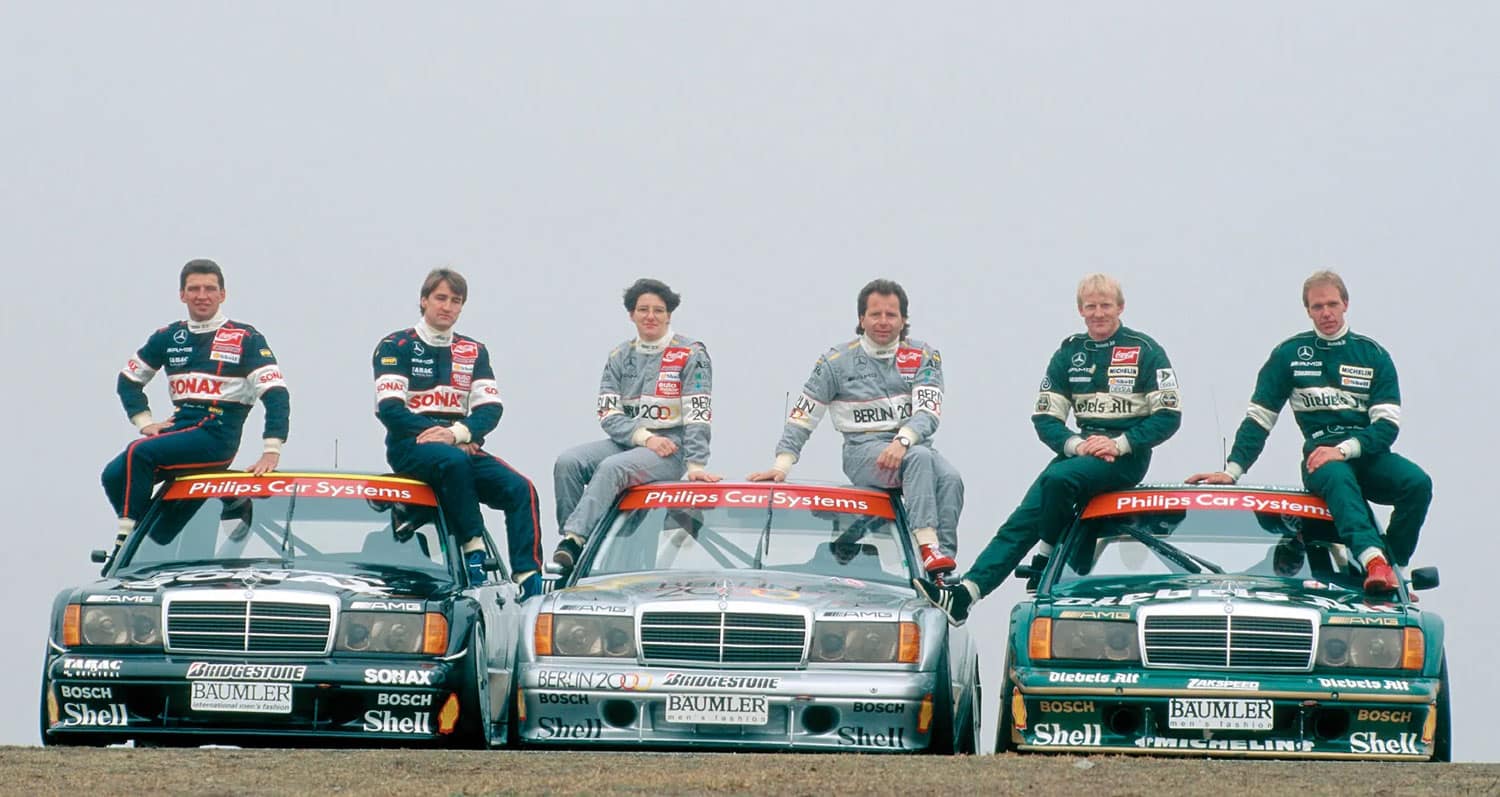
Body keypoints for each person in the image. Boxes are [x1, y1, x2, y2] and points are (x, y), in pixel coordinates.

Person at [915, 274, 1181, 624]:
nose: (1098, 313)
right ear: (1080, 310)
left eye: (1105, 305)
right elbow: (1045, 417)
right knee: (1022, 518)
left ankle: (1045, 555)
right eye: (1091, 306)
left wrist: (1118, 444)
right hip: (1081, 453)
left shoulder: (1146, 349)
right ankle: (965, 594)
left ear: (1120, 307)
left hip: (1126, 456)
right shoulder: (1070, 352)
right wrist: (1076, 445)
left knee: (1057, 480)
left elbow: (1169, 416)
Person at [1186, 270, 1431, 595]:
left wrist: (1343, 450)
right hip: (1320, 457)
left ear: (1345, 304)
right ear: (1308, 311)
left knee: (1418, 483)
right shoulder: (1289, 355)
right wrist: (1232, 471)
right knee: (1337, 476)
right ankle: (1373, 562)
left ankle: (1392, 568)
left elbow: (1386, 427)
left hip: (1367, 454)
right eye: (1317, 307)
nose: (1326, 313)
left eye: (1332, 304)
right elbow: (1259, 419)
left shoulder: (1373, 355)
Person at [747, 278, 963, 577]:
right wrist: (782, 465)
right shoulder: (835, 362)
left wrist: (902, 440)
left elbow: (928, 412)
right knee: (920, 458)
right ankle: (927, 546)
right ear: (861, 319)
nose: (883, 321)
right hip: (863, 451)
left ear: (903, 320)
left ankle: (941, 569)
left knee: (950, 478)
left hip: (911, 445)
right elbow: (803, 416)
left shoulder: (923, 355)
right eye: (875, 314)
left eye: (891, 314)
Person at [101, 259, 290, 562]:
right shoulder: (168, 336)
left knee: (139, 452)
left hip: (218, 432)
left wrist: (271, 451)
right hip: (182, 426)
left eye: (210, 289)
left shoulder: (246, 337)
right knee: (113, 475)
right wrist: (145, 421)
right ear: (182, 295)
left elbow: (276, 394)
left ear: (222, 295)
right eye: (194, 289)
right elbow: (128, 380)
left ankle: (125, 546)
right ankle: (155, 538)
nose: (202, 295)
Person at [372, 269, 542, 597]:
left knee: (521, 488)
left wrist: (459, 434)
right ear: (424, 300)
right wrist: (447, 437)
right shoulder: (395, 345)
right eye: (440, 298)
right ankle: (473, 549)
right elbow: (390, 409)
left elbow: (491, 408)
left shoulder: (474, 350)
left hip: (460, 444)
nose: (447, 306)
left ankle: (529, 579)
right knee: (453, 462)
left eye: (456, 301)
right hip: (410, 446)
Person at [550, 279, 719, 573]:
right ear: (631, 314)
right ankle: (574, 547)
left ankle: (575, 541)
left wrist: (695, 465)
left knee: (613, 468)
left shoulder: (691, 353)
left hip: (671, 449)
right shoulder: (619, 355)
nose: (650, 316)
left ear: (669, 315)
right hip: (629, 441)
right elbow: (608, 413)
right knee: (568, 462)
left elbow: (698, 414)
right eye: (643, 309)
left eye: (658, 310)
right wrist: (643, 438)